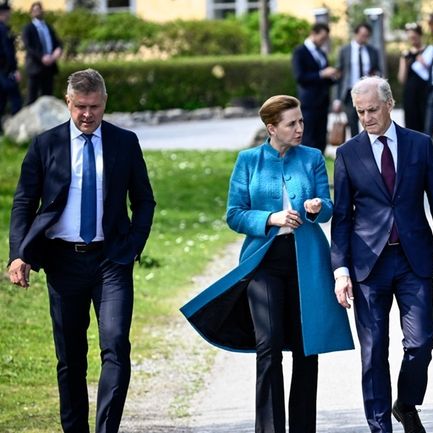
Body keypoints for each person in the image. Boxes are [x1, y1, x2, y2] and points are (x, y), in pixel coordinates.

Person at [181, 95, 354, 433]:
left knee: (307, 349)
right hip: (264, 263)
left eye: (301, 121)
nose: (300, 128)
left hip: (307, 261)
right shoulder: (248, 161)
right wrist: (271, 217)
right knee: (269, 346)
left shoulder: (313, 158)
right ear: (271, 128)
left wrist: (317, 209)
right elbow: (234, 214)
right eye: (292, 124)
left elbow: (330, 208)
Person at [7, 68, 155, 433]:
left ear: (104, 103)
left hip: (111, 260)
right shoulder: (46, 144)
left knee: (116, 345)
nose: (87, 115)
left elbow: (144, 201)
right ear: (68, 104)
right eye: (80, 107)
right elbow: (24, 202)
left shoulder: (125, 142)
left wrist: (133, 245)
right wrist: (18, 252)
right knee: (70, 359)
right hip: (62, 261)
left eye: (95, 107)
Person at [331, 76, 433, 433]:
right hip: (367, 265)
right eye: (360, 112)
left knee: (421, 343)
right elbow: (341, 217)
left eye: (372, 109)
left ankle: (405, 403)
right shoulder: (348, 153)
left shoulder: (419, 145)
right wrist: (340, 270)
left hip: (414, 260)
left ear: (390, 104)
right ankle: (379, 427)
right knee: (373, 353)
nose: (367, 117)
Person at [291, 23, 339, 153]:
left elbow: (325, 79)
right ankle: (307, 167)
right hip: (309, 102)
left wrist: (334, 76)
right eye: (322, 38)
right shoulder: (300, 51)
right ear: (313, 33)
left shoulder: (322, 53)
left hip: (323, 101)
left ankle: (319, 166)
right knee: (309, 137)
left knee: (321, 138)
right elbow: (300, 77)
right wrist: (322, 73)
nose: (323, 41)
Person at [334, 23, 381, 137]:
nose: (364, 38)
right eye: (362, 35)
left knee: (370, 119)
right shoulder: (344, 50)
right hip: (350, 91)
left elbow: (378, 70)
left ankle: (370, 143)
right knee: (352, 121)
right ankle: (357, 146)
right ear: (356, 34)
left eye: (367, 36)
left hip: (368, 91)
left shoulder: (372, 51)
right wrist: (337, 99)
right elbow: (338, 75)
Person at [21, 1, 62, 105]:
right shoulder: (28, 28)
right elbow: (28, 47)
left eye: (39, 9)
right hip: (35, 66)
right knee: (32, 97)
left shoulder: (48, 27)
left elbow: (57, 43)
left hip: (49, 67)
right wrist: (42, 57)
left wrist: (57, 51)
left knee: (48, 95)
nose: (37, 12)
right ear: (31, 13)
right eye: (34, 10)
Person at [397, 22, 430, 132]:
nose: (413, 40)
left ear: (420, 35)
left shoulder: (429, 50)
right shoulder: (406, 54)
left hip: (425, 93)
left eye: (414, 37)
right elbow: (402, 79)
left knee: (425, 122)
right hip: (410, 94)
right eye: (410, 37)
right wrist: (404, 64)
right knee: (411, 124)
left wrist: (423, 63)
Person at [0, 1, 22, 120]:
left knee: (2, 99)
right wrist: (14, 70)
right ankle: (16, 130)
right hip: (5, 70)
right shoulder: (3, 30)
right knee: (16, 99)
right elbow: (8, 52)